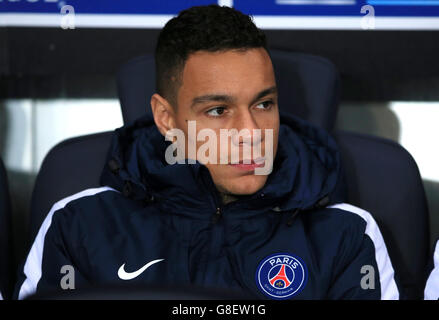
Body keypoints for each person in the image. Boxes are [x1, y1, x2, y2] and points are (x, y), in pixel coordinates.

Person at [14, 4, 399, 300]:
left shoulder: (345, 232)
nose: (251, 134)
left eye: (264, 104)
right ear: (166, 118)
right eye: (218, 111)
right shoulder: (80, 223)